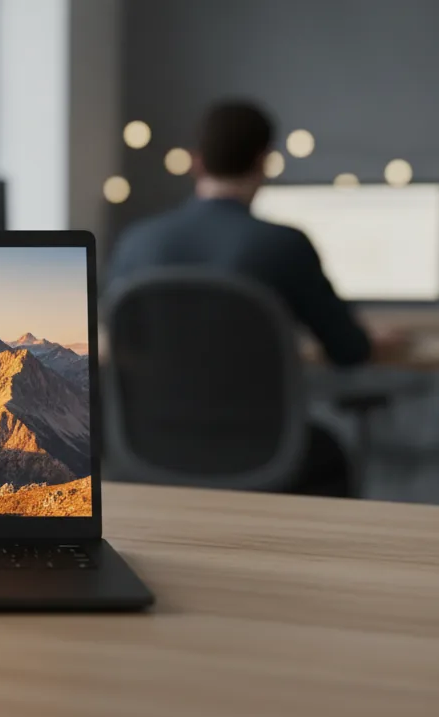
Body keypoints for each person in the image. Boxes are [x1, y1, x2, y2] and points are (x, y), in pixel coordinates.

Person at [107, 100, 409, 497]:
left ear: (196, 162)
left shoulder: (136, 243)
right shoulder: (284, 246)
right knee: (331, 452)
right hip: (261, 452)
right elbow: (348, 351)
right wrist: (373, 341)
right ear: (264, 161)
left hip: (150, 447)